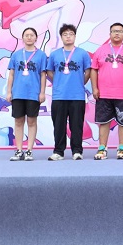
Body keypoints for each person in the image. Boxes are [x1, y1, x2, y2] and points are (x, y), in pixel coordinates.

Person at [91, 22, 123, 160]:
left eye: (119, 31)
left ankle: (122, 148)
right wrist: (94, 88)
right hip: (103, 93)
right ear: (110, 34)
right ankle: (102, 148)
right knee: (104, 122)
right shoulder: (100, 50)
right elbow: (94, 70)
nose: (117, 33)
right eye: (114, 31)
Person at [46, 23, 91, 161]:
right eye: (65, 34)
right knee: (58, 125)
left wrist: (80, 83)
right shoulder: (54, 54)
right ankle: (58, 152)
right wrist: (58, 82)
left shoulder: (82, 53)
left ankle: (77, 151)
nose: (68, 37)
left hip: (77, 96)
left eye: (71, 34)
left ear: (75, 36)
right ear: (61, 37)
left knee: (76, 125)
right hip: (59, 95)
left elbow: (88, 71)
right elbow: (49, 71)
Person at [6, 27, 47, 161]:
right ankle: (19, 150)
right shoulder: (16, 55)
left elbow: (43, 75)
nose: (29, 37)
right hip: (18, 93)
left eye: (32, 35)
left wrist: (42, 92)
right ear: (22, 38)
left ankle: (29, 150)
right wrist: (9, 91)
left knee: (31, 121)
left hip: (33, 94)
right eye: (26, 35)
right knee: (18, 121)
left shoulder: (41, 55)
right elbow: (11, 74)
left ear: (36, 38)